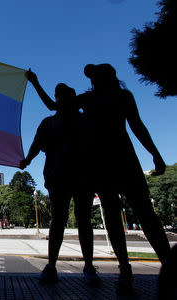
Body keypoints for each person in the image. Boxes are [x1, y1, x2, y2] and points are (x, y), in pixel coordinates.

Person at [31, 64, 171, 293]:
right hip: (116, 162)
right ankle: (134, 269)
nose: (92, 80)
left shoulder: (94, 99)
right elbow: (137, 126)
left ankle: (134, 270)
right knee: (136, 215)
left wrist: (155, 153)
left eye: (95, 77)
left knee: (129, 216)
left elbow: (54, 105)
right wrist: (155, 154)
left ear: (104, 78)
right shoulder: (117, 97)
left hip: (106, 164)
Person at [21, 75, 99, 286]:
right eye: (59, 95)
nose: (61, 100)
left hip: (80, 175)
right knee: (61, 220)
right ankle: (55, 265)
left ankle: (87, 265)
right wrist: (27, 160)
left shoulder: (83, 120)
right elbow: (36, 145)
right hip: (59, 176)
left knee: (80, 220)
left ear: (71, 98)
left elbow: (94, 148)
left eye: (64, 95)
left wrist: (36, 83)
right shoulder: (51, 122)